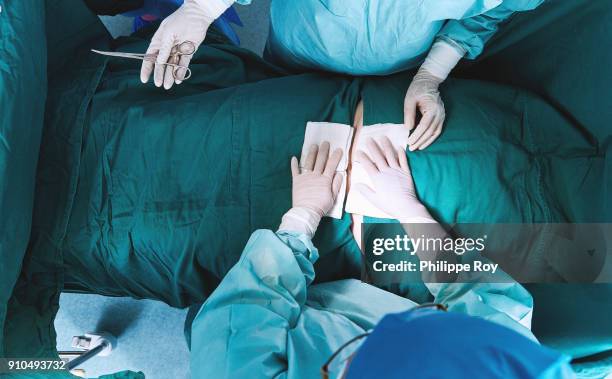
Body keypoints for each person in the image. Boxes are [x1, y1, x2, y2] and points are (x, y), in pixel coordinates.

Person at [189, 139, 573, 378]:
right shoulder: (504, 358)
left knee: (198, 307)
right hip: (362, 303)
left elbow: (240, 311)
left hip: (279, 321)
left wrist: (301, 217)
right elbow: (480, 296)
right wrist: (411, 211)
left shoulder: (233, 367)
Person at [139, 0, 542, 151]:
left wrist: (431, 75)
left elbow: (485, 16)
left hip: (397, 66)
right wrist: (201, 9)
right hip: (300, 44)